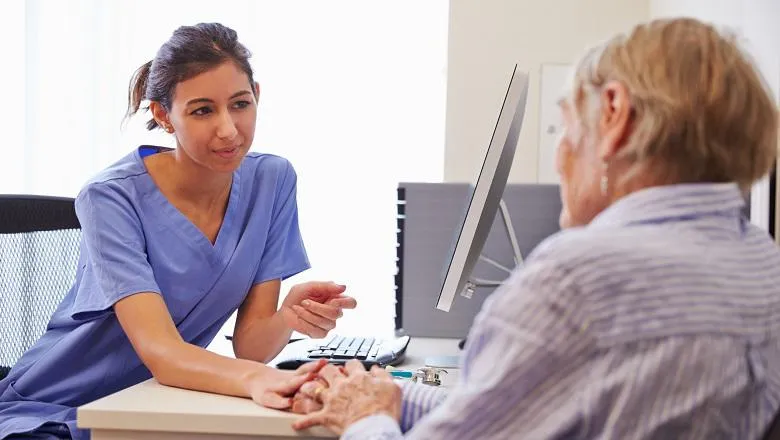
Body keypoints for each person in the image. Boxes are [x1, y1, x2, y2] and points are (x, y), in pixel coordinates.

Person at [289, 17, 780, 439]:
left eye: (567, 127)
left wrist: (365, 417)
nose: (561, 154)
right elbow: (521, 412)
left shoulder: (576, 283)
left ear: (616, 115)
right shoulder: (762, 263)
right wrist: (392, 395)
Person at [0, 22, 356, 440]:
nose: (228, 129)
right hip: (56, 407)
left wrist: (287, 318)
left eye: (240, 104)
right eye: (202, 110)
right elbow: (163, 353)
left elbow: (252, 348)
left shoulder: (272, 181)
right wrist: (255, 380)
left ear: (257, 96)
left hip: (160, 400)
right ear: (163, 115)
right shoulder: (109, 198)